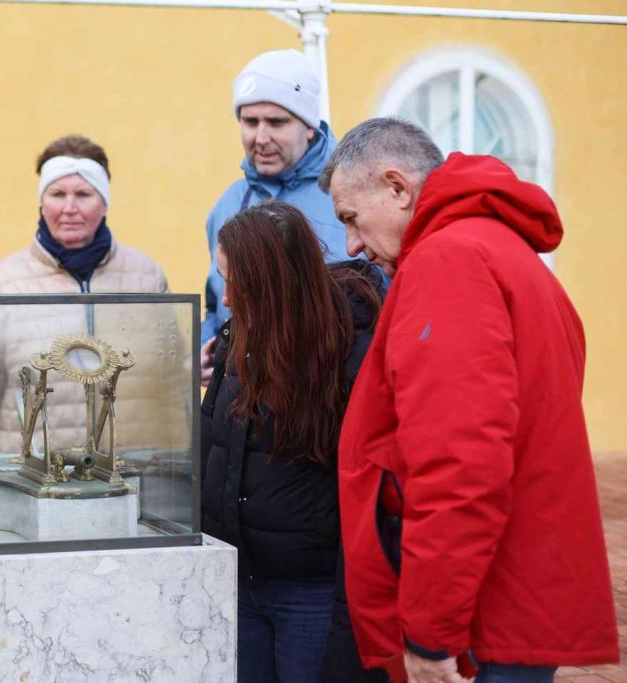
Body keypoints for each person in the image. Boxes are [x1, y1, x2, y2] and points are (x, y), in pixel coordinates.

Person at [320, 118, 619, 682]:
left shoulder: (447, 262)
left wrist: (430, 635)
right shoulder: (500, 249)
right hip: (512, 593)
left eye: (351, 218)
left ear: (397, 187)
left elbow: (459, 466)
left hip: (484, 616)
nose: (353, 245)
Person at [199, 202, 383, 682]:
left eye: (237, 284)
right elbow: (212, 440)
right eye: (222, 280)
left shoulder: (348, 345)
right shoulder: (238, 337)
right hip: (240, 577)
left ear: (273, 283)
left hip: (310, 590)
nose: (227, 299)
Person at [0, 134, 186, 459]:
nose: (69, 208)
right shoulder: (2, 283)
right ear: (42, 202)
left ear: (104, 202)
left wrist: (179, 462)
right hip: (35, 475)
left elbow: (172, 383)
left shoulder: (147, 277)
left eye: (83, 194)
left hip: (132, 470)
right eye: (57, 194)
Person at [201, 49, 349, 382]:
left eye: (277, 122)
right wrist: (205, 347)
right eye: (250, 122)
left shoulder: (348, 195)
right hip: (241, 397)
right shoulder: (228, 203)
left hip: (324, 396)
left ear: (309, 126)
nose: (261, 138)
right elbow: (216, 305)